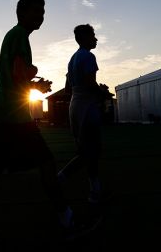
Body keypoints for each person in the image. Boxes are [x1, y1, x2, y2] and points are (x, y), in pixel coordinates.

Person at [0, 0, 99, 242]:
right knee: (46, 164)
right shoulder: (20, 36)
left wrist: (35, 84)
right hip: (15, 117)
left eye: (43, 11)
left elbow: (15, 77)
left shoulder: (13, 35)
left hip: (3, 114)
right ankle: (68, 221)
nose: (41, 16)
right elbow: (19, 74)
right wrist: (35, 78)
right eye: (36, 11)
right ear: (22, 13)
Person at [57, 24, 108, 205]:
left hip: (75, 107)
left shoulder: (72, 59)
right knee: (91, 151)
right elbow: (90, 83)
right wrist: (102, 92)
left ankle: (94, 188)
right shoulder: (88, 56)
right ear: (84, 38)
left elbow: (67, 89)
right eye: (93, 35)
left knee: (86, 150)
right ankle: (64, 179)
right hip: (87, 107)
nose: (95, 39)